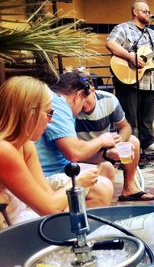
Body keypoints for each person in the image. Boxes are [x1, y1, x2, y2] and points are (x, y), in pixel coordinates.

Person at [0, 76, 100, 225]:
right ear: (29, 113)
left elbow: (48, 195)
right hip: (8, 232)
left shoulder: (25, 145)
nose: (51, 120)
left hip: (15, 221)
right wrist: (77, 182)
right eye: (49, 113)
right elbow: (49, 209)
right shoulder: (4, 150)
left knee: (69, 213)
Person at [73, 69, 154, 202]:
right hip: (83, 152)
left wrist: (119, 140)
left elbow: (126, 127)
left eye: (86, 97)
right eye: (80, 99)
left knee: (133, 141)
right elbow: (74, 151)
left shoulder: (108, 100)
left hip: (104, 146)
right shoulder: (70, 108)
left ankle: (129, 188)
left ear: (93, 91)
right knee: (107, 168)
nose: (84, 104)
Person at [106, 0, 154, 151]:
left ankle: (148, 141)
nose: (148, 14)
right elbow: (110, 44)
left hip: (151, 81)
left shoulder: (153, 34)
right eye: (145, 11)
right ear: (135, 12)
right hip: (129, 78)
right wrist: (131, 57)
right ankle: (130, 143)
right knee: (129, 115)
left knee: (148, 115)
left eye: (149, 12)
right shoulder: (123, 28)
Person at [35, 72, 115, 206]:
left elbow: (72, 154)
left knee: (106, 168)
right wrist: (101, 141)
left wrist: (106, 154)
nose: (83, 110)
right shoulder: (58, 104)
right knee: (102, 188)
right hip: (47, 174)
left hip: (61, 168)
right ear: (78, 96)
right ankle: (75, 217)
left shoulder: (56, 101)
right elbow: (74, 153)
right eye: (83, 103)